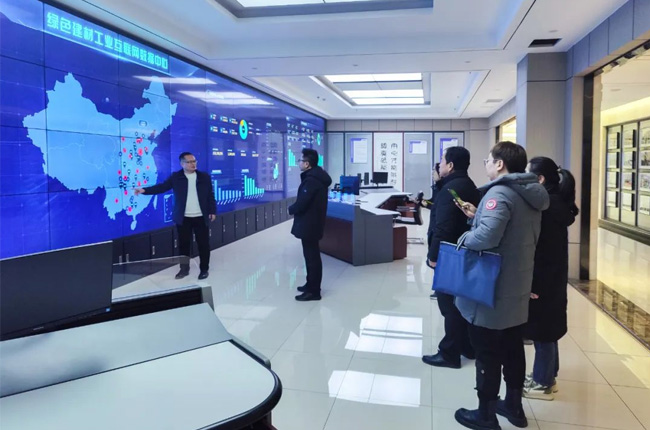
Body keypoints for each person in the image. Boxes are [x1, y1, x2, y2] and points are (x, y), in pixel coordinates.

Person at [453, 141, 549, 430]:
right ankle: (514, 406)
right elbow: (511, 231)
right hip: (517, 284)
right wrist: (478, 216)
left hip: (492, 288)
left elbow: (487, 238)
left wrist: (465, 238)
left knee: (487, 351)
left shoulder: (499, 193)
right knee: (512, 348)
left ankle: (485, 414)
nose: (485, 164)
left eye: (488, 159)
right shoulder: (530, 194)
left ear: (499, 164)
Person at [523, 157, 579, 401]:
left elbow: (542, 250)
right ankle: (546, 375)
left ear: (540, 179)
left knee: (543, 330)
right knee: (548, 327)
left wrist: (532, 283)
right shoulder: (556, 203)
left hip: (544, 277)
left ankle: (543, 382)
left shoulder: (547, 207)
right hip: (552, 276)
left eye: (527, 175)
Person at [422, 147, 480, 369]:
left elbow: (443, 227)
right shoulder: (467, 185)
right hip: (462, 251)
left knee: (449, 306)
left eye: (442, 160)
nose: (440, 164)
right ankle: (467, 346)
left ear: (451, 165)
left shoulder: (451, 189)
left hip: (449, 255)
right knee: (459, 302)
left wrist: (433, 256)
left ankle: (449, 354)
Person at [135, 152, 216, 280]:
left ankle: (204, 269)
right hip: (183, 218)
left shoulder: (204, 177)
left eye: (194, 161)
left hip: (201, 217)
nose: (193, 164)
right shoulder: (176, 177)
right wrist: (144, 190)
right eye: (189, 162)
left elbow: (210, 195)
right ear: (182, 164)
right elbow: (162, 187)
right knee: (184, 245)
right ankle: (184, 269)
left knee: (203, 244)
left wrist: (212, 211)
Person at [288, 148, 332, 302]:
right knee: (310, 256)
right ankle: (310, 284)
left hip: (310, 224)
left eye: (300, 161)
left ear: (307, 164)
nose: (299, 163)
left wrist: (290, 209)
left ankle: (314, 291)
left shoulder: (312, 180)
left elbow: (302, 203)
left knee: (312, 257)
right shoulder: (316, 176)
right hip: (313, 223)